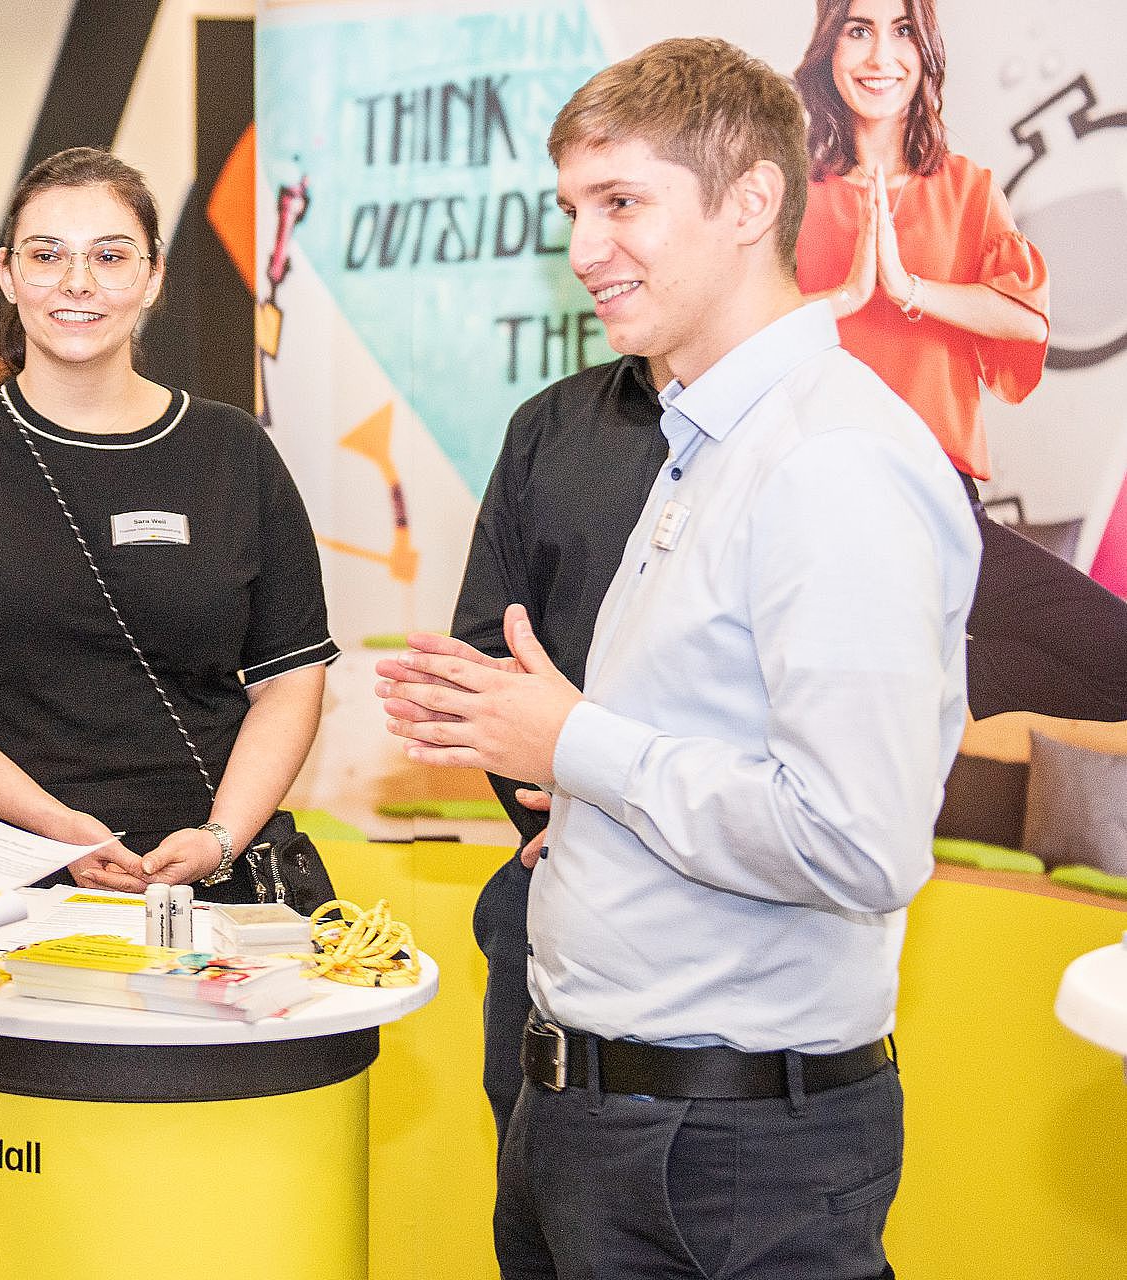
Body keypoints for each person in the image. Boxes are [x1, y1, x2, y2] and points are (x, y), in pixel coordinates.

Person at [379, 38, 978, 1278]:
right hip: (598, 1112)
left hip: (725, 1152)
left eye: (622, 203)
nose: (584, 247)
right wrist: (556, 763)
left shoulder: (827, 460)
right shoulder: (702, 438)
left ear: (750, 200)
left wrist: (572, 744)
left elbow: (857, 840)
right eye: (571, 210)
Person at [0, 147, 336, 898]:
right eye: (47, 255)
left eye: (110, 256)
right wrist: (48, 821)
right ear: (9, 275)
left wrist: (222, 835)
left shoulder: (232, 450)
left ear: (154, 275)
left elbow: (290, 679)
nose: (78, 282)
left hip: (205, 873)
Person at [795, 0, 1127, 722]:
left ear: (926, 50)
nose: (881, 55)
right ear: (829, 47)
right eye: (858, 30)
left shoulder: (968, 190)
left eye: (902, 30)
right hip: (822, 504)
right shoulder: (792, 197)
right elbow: (745, 341)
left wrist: (910, 289)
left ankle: (923, 687)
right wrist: (850, 294)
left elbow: (1025, 316)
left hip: (941, 508)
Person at [452, 362, 664, 1146]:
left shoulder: (817, 437)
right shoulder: (550, 427)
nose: (592, 250)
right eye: (580, 226)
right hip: (547, 890)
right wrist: (564, 804)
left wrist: (602, 794)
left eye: (623, 223)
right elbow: (489, 654)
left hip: (733, 946)